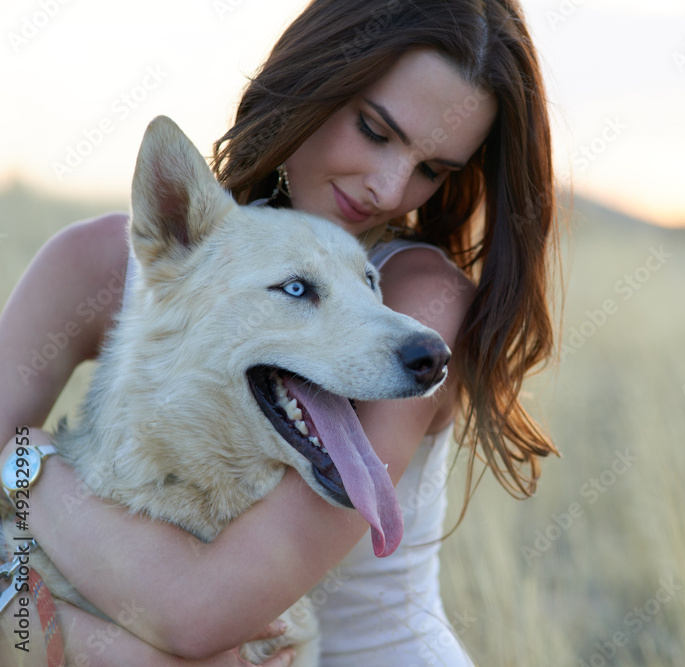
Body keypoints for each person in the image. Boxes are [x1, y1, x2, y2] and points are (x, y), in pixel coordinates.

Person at [0, 0, 560, 664]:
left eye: (431, 169)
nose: (387, 187)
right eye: (375, 130)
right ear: (313, 80)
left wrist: (23, 463)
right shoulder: (99, 263)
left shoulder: (419, 305)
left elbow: (198, 612)